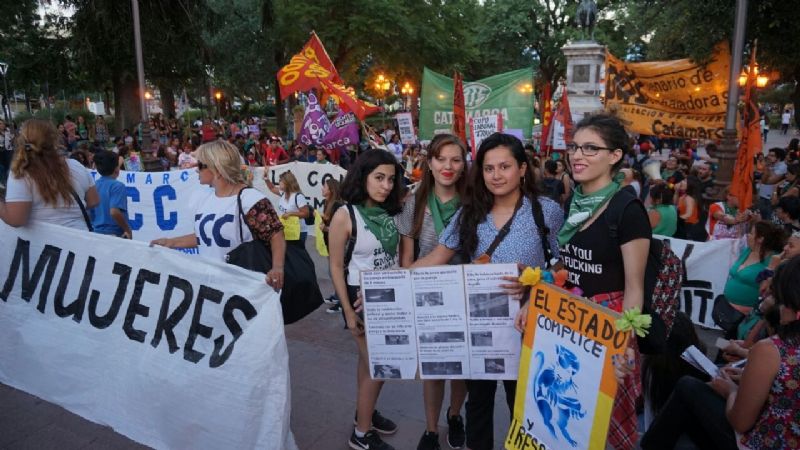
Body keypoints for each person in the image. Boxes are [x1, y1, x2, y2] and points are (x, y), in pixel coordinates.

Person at [413, 133, 563, 450]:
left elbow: (566, 270)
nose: (496, 175)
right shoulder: (469, 214)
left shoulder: (546, 212)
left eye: (505, 166)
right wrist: (383, 284)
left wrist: (538, 279)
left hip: (528, 329)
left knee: (521, 406)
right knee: (478, 404)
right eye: (488, 168)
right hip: (479, 330)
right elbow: (434, 259)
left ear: (523, 169)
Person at [555, 112, 651, 450]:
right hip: (571, 325)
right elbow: (567, 268)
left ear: (615, 156)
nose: (578, 156)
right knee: (569, 417)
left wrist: (624, 344)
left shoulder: (628, 210)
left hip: (609, 329)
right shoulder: (574, 203)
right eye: (575, 147)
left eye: (591, 148)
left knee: (604, 423)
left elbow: (635, 287)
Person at [641, 255, 800, 450]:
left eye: (780, 299)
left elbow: (740, 421)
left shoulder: (771, 349)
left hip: (763, 442)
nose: (778, 306)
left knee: (687, 387)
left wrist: (731, 391)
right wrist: (748, 378)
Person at [394, 134, 468, 450]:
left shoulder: (474, 203)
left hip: (465, 297)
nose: (448, 166)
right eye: (441, 159)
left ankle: (454, 415)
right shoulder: (414, 203)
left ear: (464, 164)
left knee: (463, 368)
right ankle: (430, 427)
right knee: (434, 370)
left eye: (455, 159)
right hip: (428, 299)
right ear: (430, 162)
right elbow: (407, 260)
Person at [328, 149, 405, 450]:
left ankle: (366, 412)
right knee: (380, 363)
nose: (386, 186)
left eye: (390, 179)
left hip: (390, 295)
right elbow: (335, 265)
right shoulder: (345, 215)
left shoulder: (393, 211)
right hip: (359, 299)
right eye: (379, 178)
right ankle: (361, 434)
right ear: (363, 177)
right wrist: (347, 311)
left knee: (368, 363)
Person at [150, 140, 286, 290]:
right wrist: (170, 243)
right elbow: (206, 237)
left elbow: (275, 234)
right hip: (212, 287)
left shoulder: (250, 199)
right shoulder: (205, 199)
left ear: (218, 169)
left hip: (244, 287)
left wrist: (277, 267)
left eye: (201, 165)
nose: (196, 169)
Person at [0, 119, 99, 229]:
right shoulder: (76, 165)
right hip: (79, 238)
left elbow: (16, 220)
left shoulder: (22, 172)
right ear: (54, 139)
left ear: (21, 140)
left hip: (44, 243)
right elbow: (93, 201)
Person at [720, 221, 785, 315]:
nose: (747, 235)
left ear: (760, 239)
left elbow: (767, 288)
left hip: (747, 314)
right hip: (726, 309)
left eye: (751, 233)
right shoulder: (748, 251)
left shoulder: (773, 260)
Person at [90, 151, 132, 238]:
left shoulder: (94, 185)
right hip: (114, 234)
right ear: (117, 169)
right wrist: (127, 230)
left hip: (96, 232)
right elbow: (114, 212)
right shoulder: (118, 186)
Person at [319, 178, 344, 313]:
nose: (322, 189)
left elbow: (340, 228)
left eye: (324, 187)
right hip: (329, 243)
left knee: (336, 272)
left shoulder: (337, 206)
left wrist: (326, 228)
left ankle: (342, 301)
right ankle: (336, 295)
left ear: (331, 190)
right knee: (332, 271)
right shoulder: (327, 203)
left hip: (336, 244)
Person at [266, 171, 311, 244]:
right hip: (287, 230)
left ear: (287, 182)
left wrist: (290, 214)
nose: (279, 182)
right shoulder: (283, 193)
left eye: (281, 181)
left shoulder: (298, 196)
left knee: (296, 254)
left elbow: (306, 214)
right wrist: (266, 178)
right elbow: (272, 188)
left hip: (298, 232)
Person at [757, 148, 788, 220]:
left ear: (778, 158)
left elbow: (769, 181)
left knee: (768, 220)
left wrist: (767, 169)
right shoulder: (770, 165)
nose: (768, 157)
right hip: (763, 195)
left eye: (772, 155)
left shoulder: (782, 167)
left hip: (770, 198)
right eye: (769, 155)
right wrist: (768, 168)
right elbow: (763, 180)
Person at [675, 176, 707, 241]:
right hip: (684, 225)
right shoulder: (684, 196)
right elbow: (675, 204)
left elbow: (688, 214)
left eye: (685, 181)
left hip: (687, 227)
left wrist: (676, 219)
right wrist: (676, 191)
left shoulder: (689, 198)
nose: (681, 182)